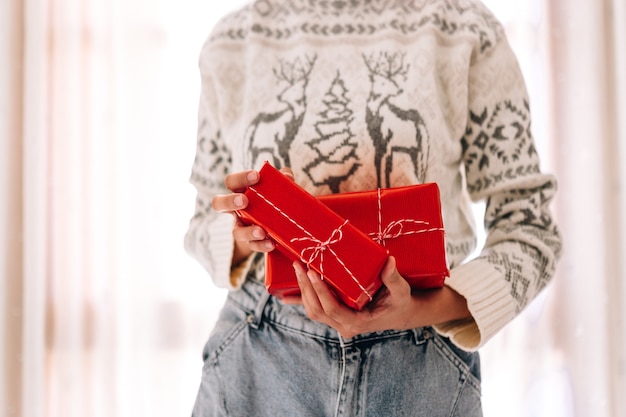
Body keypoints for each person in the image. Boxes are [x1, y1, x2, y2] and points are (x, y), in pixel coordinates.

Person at [184, 1, 562, 416]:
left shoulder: (465, 29)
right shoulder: (232, 42)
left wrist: (426, 310)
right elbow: (204, 223)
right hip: (259, 366)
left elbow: (531, 228)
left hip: (421, 369)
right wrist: (244, 231)